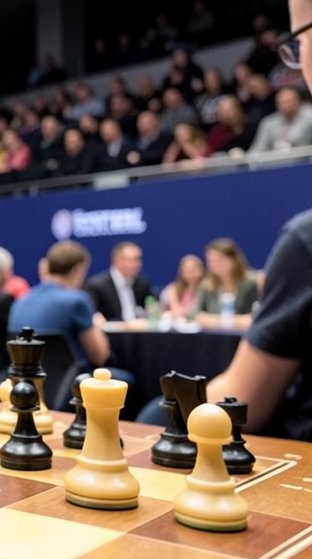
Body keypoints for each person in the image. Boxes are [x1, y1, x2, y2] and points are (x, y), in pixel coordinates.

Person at [138, 0, 312, 439]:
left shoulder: (304, 243)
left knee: (152, 419)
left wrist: (156, 420)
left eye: (296, 43)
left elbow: (243, 401)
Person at [8, 241, 110, 368]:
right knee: (125, 380)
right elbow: (100, 356)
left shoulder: (21, 300)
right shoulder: (77, 300)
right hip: (71, 382)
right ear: (77, 269)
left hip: (27, 381)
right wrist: (96, 326)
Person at [192, 238, 258, 329]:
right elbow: (194, 314)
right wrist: (229, 321)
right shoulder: (207, 286)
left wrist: (210, 320)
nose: (215, 264)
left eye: (220, 259)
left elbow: (257, 317)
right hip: (215, 338)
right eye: (211, 261)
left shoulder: (252, 282)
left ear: (234, 260)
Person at [85, 242, 156, 322]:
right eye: (133, 260)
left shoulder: (142, 283)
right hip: (112, 333)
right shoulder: (97, 286)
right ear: (117, 261)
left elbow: (152, 308)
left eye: (139, 259)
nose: (138, 265)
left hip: (140, 332)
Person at [161, 254, 204, 319]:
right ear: (181, 271)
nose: (191, 271)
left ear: (201, 270)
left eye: (194, 268)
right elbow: (176, 312)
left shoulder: (207, 289)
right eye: (187, 269)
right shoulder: (173, 289)